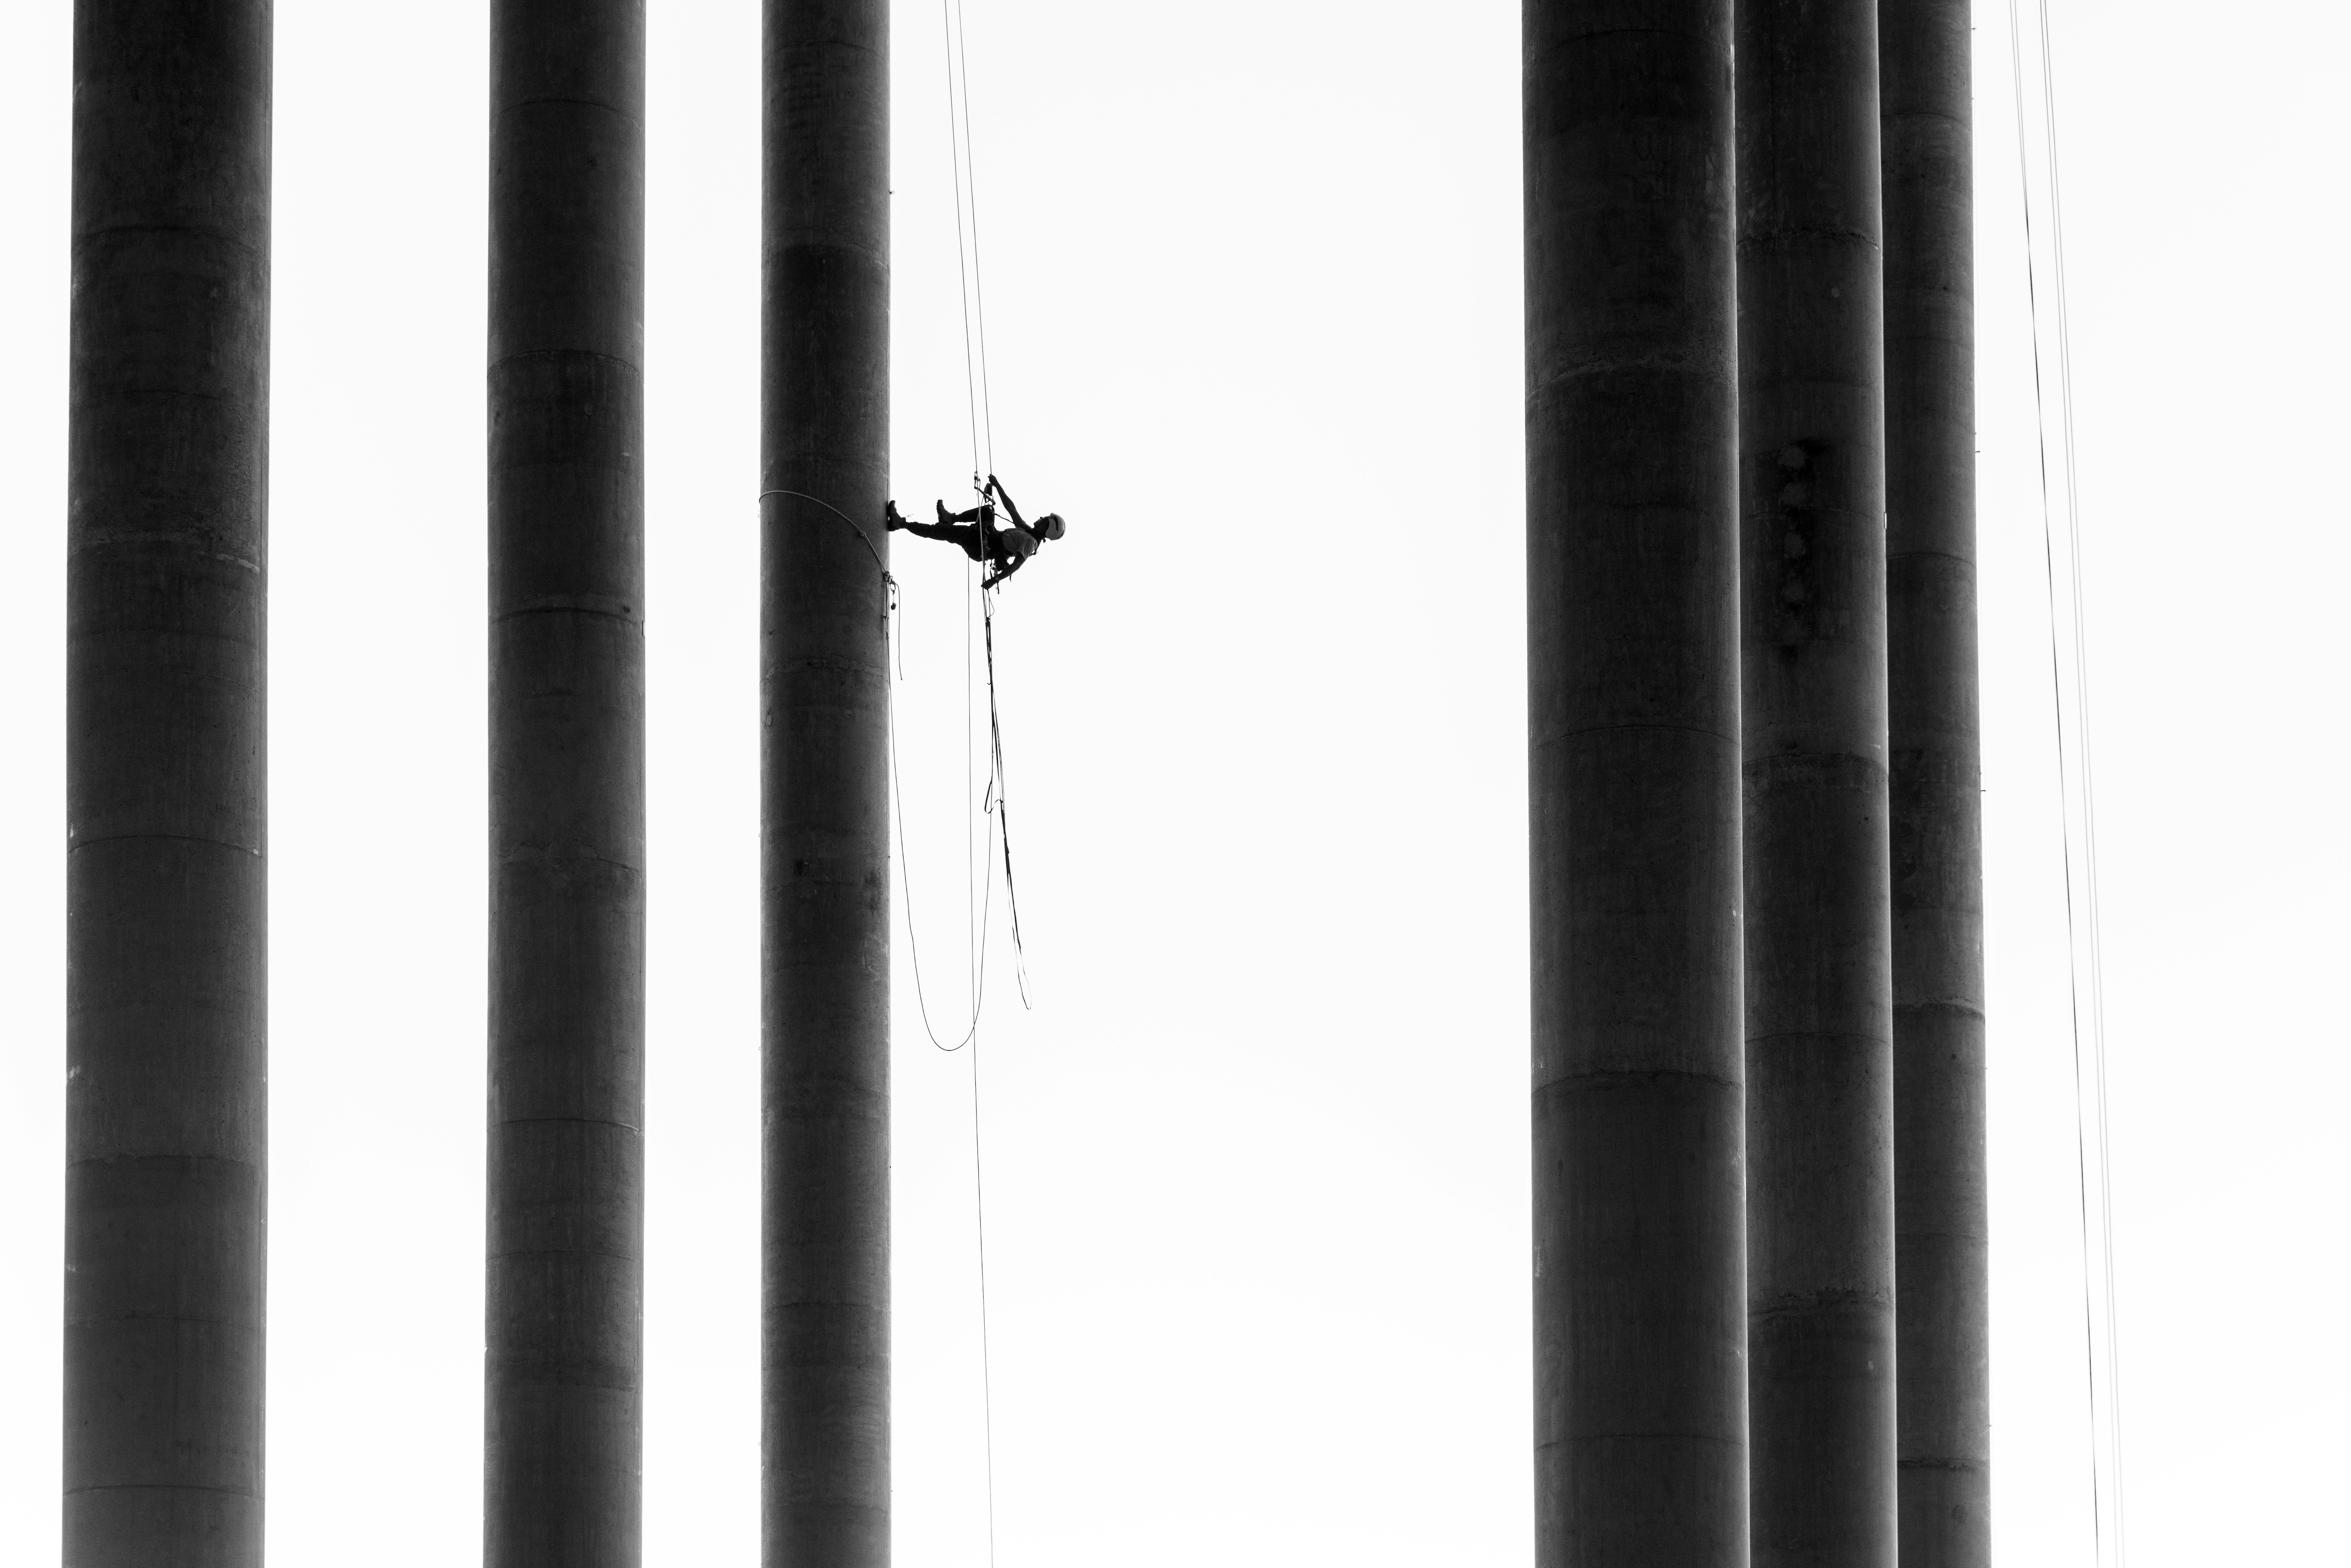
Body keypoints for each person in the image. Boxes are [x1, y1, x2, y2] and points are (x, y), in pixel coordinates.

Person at [886, 474, 1065, 589]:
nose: (1041, 518)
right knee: (988, 512)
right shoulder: (1028, 531)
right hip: (988, 536)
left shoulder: (1031, 543)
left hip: (981, 545)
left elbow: (1016, 566)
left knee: (943, 532)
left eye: (1045, 520)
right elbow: (1011, 508)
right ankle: (951, 518)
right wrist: (998, 485)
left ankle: (901, 524)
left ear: (1047, 528)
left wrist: (995, 580)